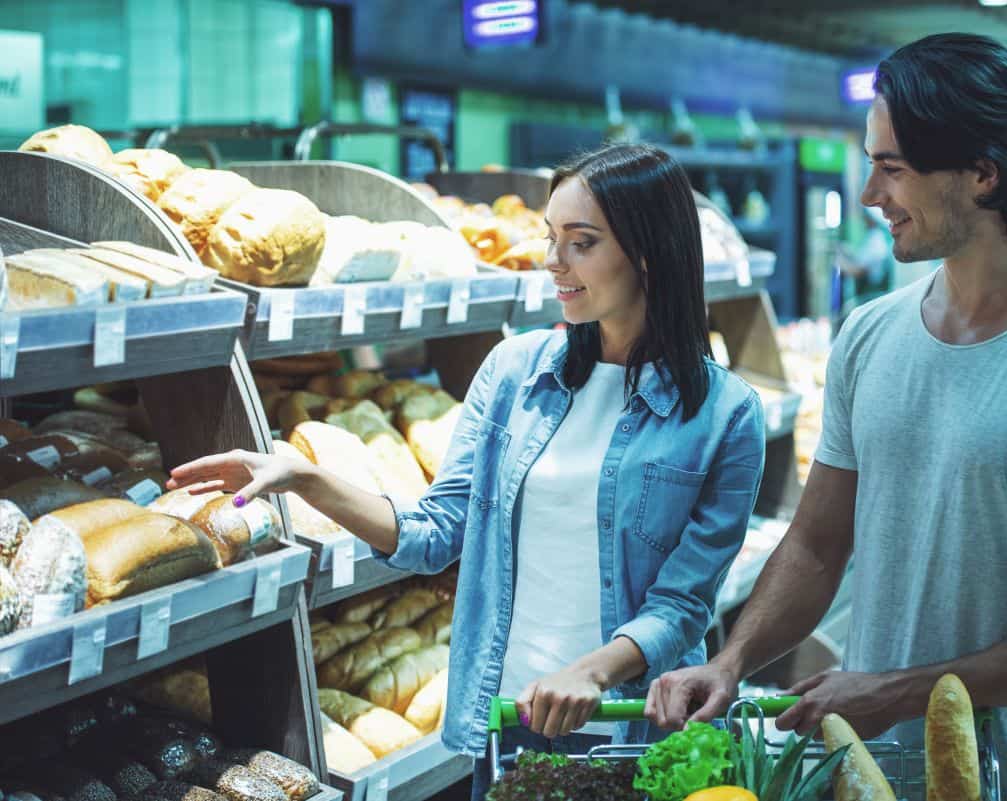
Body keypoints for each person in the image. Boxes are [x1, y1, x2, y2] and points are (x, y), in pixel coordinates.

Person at [645, 33, 1007, 801]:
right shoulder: (870, 334)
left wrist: (898, 691)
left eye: (891, 167)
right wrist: (730, 659)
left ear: (983, 175)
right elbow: (819, 542)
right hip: (867, 775)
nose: (869, 194)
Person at [168, 143, 766, 801]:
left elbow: (682, 602)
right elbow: (435, 530)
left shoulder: (725, 414)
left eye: (581, 242)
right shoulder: (516, 372)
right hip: (509, 721)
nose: (551, 261)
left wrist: (592, 672)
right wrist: (303, 478)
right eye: (550, 237)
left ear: (649, 251)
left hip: (628, 726)